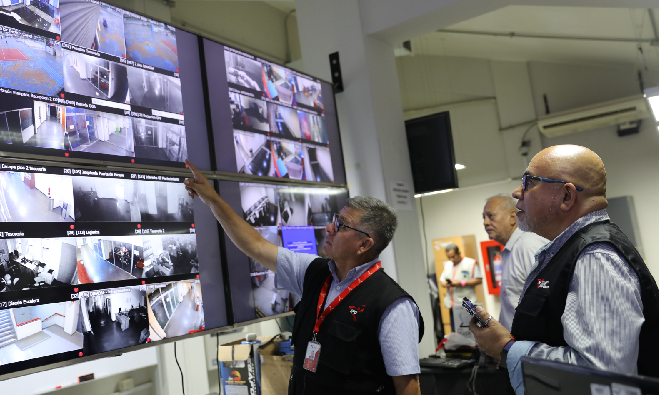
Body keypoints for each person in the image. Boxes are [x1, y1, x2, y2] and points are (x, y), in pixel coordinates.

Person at [183, 160, 424, 395]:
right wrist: (212, 199)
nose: (329, 228)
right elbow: (256, 245)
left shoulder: (393, 307)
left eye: (341, 225)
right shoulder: (313, 272)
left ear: (364, 244)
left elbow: (408, 388)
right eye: (334, 219)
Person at [469, 145, 659, 395]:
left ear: (567, 197)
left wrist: (506, 348)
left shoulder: (596, 257)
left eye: (529, 182)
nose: (517, 192)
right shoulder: (568, 250)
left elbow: (604, 377)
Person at [482, 194, 548, 331]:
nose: (485, 222)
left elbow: (548, 301)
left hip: (533, 346)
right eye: (484, 217)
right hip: (517, 345)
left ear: (513, 217)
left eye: (491, 216)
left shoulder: (529, 246)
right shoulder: (510, 251)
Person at [439, 243, 482, 330]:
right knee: (456, 333)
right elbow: (442, 280)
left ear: (459, 252)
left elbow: (479, 280)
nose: (451, 259)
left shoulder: (470, 263)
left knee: (470, 332)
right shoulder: (448, 265)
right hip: (453, 305)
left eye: (453, 256)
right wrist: (445, 284)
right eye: (449, 257)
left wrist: (462, 283)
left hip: (467, 304)